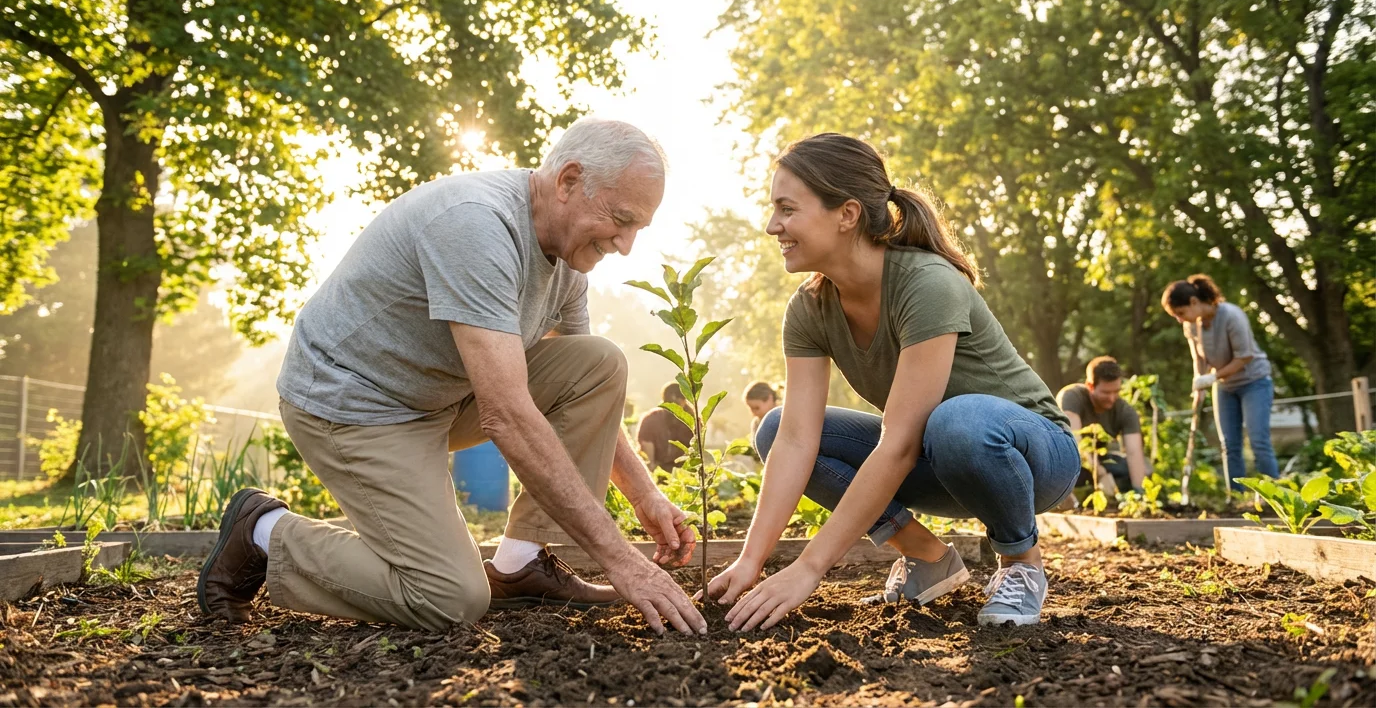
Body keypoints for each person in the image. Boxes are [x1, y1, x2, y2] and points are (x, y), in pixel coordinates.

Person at [197, 118, 707, 636]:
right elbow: (507, 415)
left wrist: (644, 495)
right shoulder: (477, 225)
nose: (626, 244)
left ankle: (521, 564)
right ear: (569, 181)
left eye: (638, 228)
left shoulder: (569, 262)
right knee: (448, 596)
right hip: (355, 405)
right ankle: (261, 532)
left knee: (598, 362)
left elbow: (584, 393)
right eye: (621, 219)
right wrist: (621, 560)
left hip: (439, 396)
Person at [705, 133, 1078, 630]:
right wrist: (751, 560)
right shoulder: (810, 308)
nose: (773, 225)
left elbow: (898, 443)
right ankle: (927, 556)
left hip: (1032, 459)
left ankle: (1021, 564)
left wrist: (809, 568)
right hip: (939, 460)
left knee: (957, 419)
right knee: (774, 429)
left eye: (787, 209)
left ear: (847, 214)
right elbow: (796, 439)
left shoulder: (927, 283)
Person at [1161, 274, 1278, 490]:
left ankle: (1275, 496)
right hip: (1225, 387)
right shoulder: (1191, 325)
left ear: (1194, 302)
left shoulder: (1232, 316)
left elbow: (1244, 357)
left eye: (1180, 313)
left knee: (1258, 442)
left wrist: (1213, 377)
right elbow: (1199, 358)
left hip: (1254, 382)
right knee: (1229, 445)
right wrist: (1199, 384)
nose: (1179, 320)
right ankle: (1236, 496)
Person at [1057, 356, 1147, 495]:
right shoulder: (1071, 397)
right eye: (1106, 392)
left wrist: (1140, 492)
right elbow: (1075, 444)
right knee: (1069, 468)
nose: (1112, 398)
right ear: (1090, 386)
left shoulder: (1125, 411)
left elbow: (1134, 453)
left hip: (1098, 460)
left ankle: (1116, 495)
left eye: (1116, 392)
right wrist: (1101, 474)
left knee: (1143, 468)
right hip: (1065, 458)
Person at [637, 382, 694, 472]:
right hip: (669, 471)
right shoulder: (652, 419)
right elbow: (649, 461)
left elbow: (649, 460)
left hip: (679, 471)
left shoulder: (692, 419)